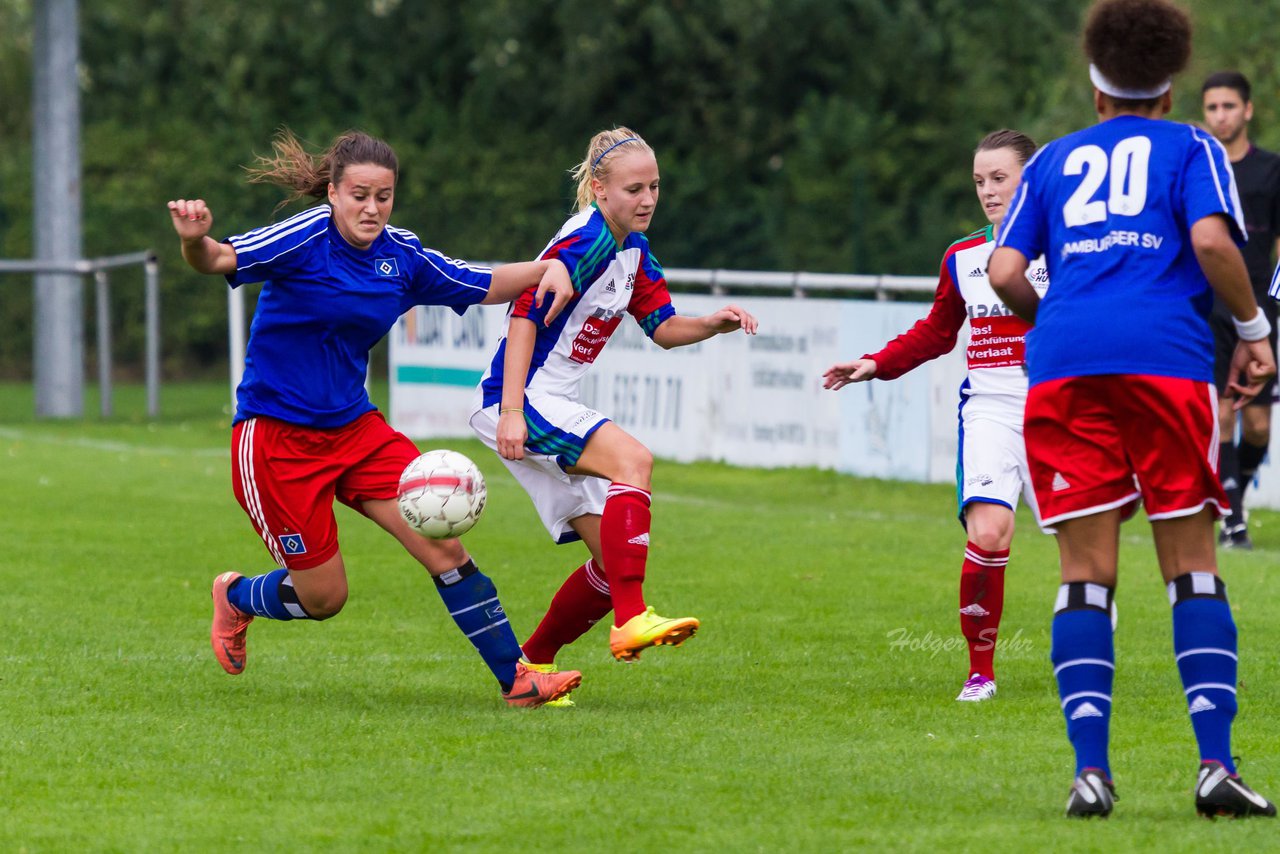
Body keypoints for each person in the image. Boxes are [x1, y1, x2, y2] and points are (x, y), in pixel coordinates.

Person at [167, 128, 583, 708]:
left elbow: (482, 282)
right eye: (359, 194)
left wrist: (549, 269)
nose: (371, 208)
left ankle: (518, 680)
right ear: (333, 192)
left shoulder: (401, 255)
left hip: (356, 431)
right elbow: (217, 258)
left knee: (443, 545)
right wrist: (193, 240)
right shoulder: (304, 238)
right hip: (275, 440)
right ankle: (238, 597)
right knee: (324, 598)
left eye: (383, 196)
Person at [989, 0, 1276, 818]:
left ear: (1095, 86)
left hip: (1065, 371)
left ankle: (1090, 772)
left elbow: (1007, 272)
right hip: (1166, 363)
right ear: (1171, 84)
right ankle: (1214, 767)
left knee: (1084, 577)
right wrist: (1254, 332)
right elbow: (1217, 245)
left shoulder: (1050, 160)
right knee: (1191, 562)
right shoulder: (1193, 147)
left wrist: (1061, 329)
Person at [468, 127, 757, 698]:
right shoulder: (588, 238)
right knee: (635, 462)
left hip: (550, 400)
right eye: (634, 189)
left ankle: (532, 667)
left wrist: (713, 324)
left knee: (609, 561)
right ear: (599, 190)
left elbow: (665, 329)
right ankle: (632, 620)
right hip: (525, 397)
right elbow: (525, 315)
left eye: (654, 186)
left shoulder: (633, 249)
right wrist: (509, 411)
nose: (647, 199)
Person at [823, 130, 1046, 704]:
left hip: (1060, 410)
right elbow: (936, 333)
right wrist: (874, 363)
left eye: (1000, 178)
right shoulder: (964, 256)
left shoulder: (1068, 245)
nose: (988, 191)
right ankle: (980, 672)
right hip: (992, 410)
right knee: (990, 532)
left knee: (1085, 544)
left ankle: (1092, 635)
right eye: (979, 181)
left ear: (1032, 175)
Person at [1202, 71, 1280, 549]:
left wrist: (1273, 312)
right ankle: (1233, 524)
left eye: (1228, 106)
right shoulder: (1197, 167)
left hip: (1260, 310)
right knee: (1221, 416)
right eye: (1211, 108)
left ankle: (1238, 499)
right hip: (1206, 309)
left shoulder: (1273, 170)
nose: (1220, 116)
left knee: (1257, 424)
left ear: (1247, 110)